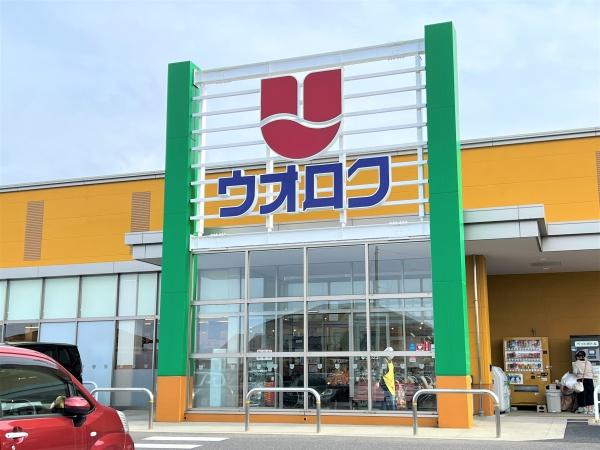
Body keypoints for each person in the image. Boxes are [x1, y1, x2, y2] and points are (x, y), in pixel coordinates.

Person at [572, 350, 595, 414]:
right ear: (584, 356)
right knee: (590, 394)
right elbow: (592, 371)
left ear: (577, 357)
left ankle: (583, 409)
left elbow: (575, 372)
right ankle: (590, 410)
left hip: (581, 380)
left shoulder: (576, 363)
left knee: (581, 394)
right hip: (590, 380)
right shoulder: (589, 362)